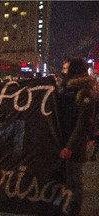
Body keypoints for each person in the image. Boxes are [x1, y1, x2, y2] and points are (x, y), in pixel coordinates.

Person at [58, 57, 97, 216]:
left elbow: (83, 123)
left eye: (66, 68)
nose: (63, 71)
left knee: (75, 183)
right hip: (64, 140)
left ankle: (74, 211)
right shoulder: (69, 89)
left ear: (74, 70)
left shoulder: (84, 91)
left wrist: (70, 146)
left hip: (74, 145)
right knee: (65, 180)